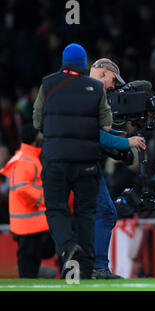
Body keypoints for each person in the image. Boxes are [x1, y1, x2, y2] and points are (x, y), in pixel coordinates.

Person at [33, 43, 112, 279]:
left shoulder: (47, 84)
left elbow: (37, 121)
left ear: (64, 61)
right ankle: (85, 272)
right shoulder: (96, 87)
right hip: (87, 163)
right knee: (86, 214)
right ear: (84, 63)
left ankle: (68, 247)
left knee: (57, 209)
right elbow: (106, 126)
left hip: (56, 161)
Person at [89, 58, 146, 279]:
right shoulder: (90, 94)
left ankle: (88, 267)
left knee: (87, 215)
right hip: (85, 165)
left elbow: (94, 131)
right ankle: (98, 267)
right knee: (105, 212)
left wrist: (121, 136)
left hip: (70, 162)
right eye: (113, 80)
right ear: (103, 73)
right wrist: (126, 142)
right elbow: (94, 134)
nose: (113, 86)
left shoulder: (83, 91)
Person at [0, 125, 55, 278]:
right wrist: (42, 199)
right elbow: (22, 188)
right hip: (28, 222)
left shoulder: (26, 157)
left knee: (32, 258)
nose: (42, 139)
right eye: (39, 136)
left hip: (30, 222)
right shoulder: (26, 160)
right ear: (34, 139)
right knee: (28, 260)